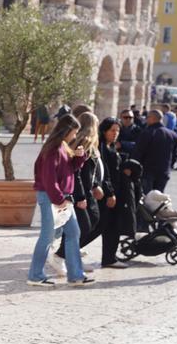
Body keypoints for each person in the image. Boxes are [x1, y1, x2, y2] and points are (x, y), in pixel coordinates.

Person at [27, 114, 92, 287]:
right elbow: (49, 178)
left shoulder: (62, 147)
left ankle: (76, 275)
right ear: (67, 130)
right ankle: (35, 276)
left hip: (60, 198)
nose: (75, 135)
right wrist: (58, 199)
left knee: (73, 232)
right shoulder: (53, 149)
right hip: (53, 198)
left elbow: (69, 170)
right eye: (74, 132)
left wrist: (79, 157)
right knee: (47, 237)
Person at [55, 113, 102, 274]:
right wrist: (81, 196)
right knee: (83, 226)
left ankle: (70, 258)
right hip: (78, 192)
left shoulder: (86, 143)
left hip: (86, 190)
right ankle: (62, 256)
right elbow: (78, 172)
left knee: (87, 224)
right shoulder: (84, 143)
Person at [93, 117, 130, 269]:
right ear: (104, 131)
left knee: (113, 227)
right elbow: (104, 174)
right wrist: (109, 193)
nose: (115, 133)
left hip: (117, 193)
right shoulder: (101, 148)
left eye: (118, 130)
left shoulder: (112, 147)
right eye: (112, 130)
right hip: (106, 195)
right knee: (98, 226)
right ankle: (67, 253)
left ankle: (109, 257)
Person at [132, 109, 177, 194]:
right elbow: (175, 155)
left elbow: (138, 152)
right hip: (164, 172)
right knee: (158, 199)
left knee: (146, 199)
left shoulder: (147, 133)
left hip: (147, 171)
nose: (146, 119)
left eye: (148, 117)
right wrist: (169, 167)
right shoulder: (172, 135)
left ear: (153, 118)